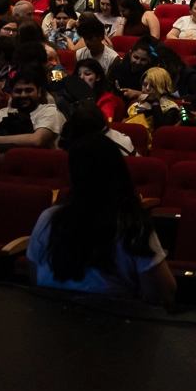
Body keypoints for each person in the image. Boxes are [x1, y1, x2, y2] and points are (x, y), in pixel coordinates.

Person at [27, 107, 176, 304]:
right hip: (110, 317)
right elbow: (163, 294)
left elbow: (34, 277)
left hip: (50, 313)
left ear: (73, 177)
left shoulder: (48, 218)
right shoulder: (132, 226)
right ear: (120, 173)